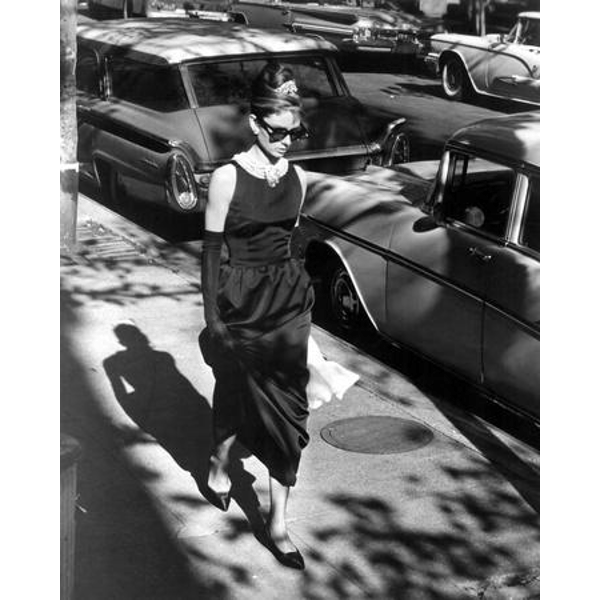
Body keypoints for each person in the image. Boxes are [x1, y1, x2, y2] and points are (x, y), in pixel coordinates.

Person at [199, 62, 329, 571]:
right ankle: (219, 461)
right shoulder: (227, 178)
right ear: (255, 123)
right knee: (235, 390)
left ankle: (277, 524)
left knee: (289, 409)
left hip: (288, 305)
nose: (287, 141)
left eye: (295, 132)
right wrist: (213, 317)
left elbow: (289, 241)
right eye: (277, 131)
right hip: (240, 304)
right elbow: (212, 251)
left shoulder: (298, 177)